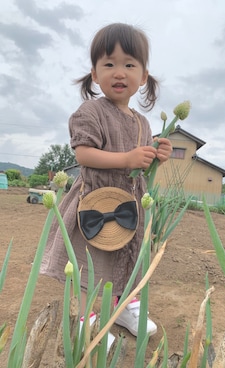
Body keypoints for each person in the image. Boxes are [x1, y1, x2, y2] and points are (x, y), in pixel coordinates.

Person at [40, 23, 172, 338]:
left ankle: (124, 305)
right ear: (95, 74)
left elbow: (142, 159)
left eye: (129, 64)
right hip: (95, 203)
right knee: (90, 264)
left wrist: (157, 152)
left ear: (143, 77)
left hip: (129, 203)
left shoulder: (141, 122)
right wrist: (126, 159)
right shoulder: (91, 112)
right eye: (109, 64)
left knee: (128, 259)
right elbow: (84, 154)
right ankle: (86, 320)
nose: (119, 72)